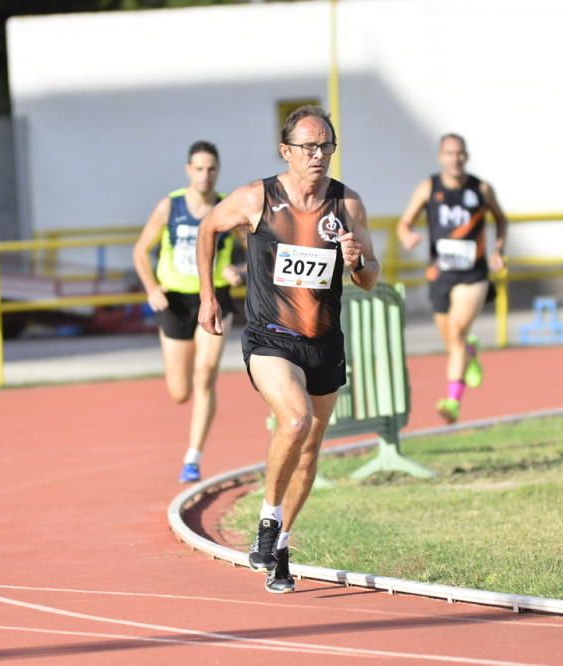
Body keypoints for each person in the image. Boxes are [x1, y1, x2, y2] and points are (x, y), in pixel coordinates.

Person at [195, 105, 379, 594]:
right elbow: (209, 227)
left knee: (309, 450)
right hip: (270, 337)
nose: (318, 156)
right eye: (308, 147)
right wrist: (208, 296)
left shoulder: (348, 205)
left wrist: (358, 263)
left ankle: (281, 546)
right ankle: (267, 519)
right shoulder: (258, 197)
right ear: (287, 151)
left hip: (324, 341)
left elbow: (369, 277)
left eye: (326, 147)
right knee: (293, 420)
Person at [132, 140, 245, 483]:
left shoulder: (228, 209)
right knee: (180, 392)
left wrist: (240, 272)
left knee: (205, 373)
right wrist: (152, 289)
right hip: (176, 302)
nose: (205, 175)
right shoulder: (170, 206)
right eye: (198, 169)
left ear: (218, 172)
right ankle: (191, 444)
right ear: (188, 171)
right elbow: (140, 251)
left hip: (214, 298)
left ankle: (192, 459)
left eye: (211, 169)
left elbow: (258, 252)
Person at [397, 133, 508, 424]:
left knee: (457, 330)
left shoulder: (481, 189)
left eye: (459, 153)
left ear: (466, 157)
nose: (455, 158)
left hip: (474, 274)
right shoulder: (428, 188)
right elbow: (404, 223)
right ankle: (470, 352)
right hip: (439, 275)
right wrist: (407, 235)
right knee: (452, 341)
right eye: (449, 153)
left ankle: (452, 401)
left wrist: (498, 250)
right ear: (440, 157)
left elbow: (501, 219)